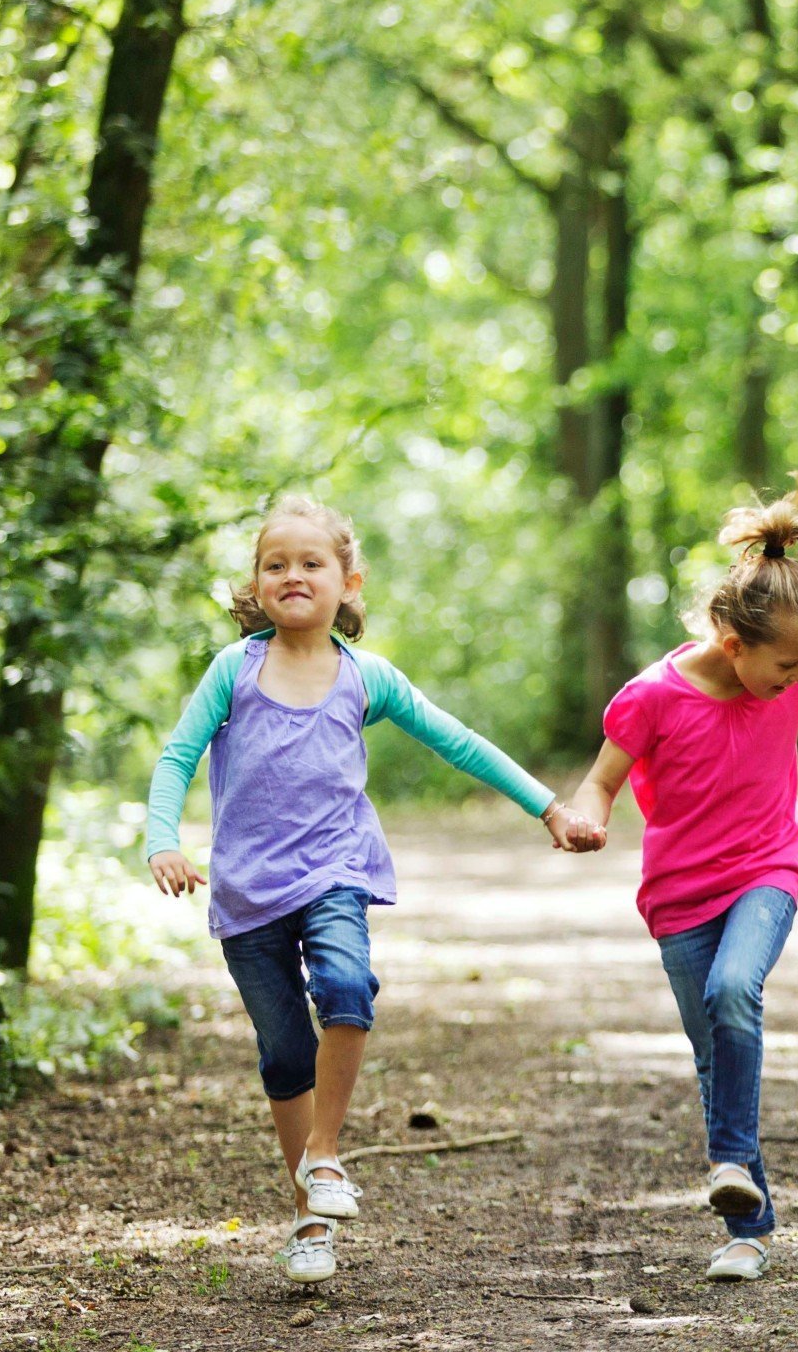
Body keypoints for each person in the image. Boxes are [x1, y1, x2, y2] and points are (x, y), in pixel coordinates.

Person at [144, 496, 598, 1284]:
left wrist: (549, 806)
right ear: (255, 584)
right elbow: (177, 758)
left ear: (347, 584)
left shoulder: (366, 678)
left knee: (349, 986)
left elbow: (458, 741)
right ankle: (307, 1221)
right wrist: (163, 839)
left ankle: (325, 1156)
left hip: (335, 873)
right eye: (275, 564)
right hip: (248, 892)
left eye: (311, 563)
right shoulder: (234, 671)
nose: (293, 575)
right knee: (284, 1052)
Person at [561, 480, 798, 1282]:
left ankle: (727, 1163)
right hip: (677, 898)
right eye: (787, 663)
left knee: (734, 994)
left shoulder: (791, 684)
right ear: (731, 640)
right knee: (715, 1056)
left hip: (766, 873)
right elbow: (602, 782)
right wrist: (590, 818)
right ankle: (748, 1230)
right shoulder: (653, 698)